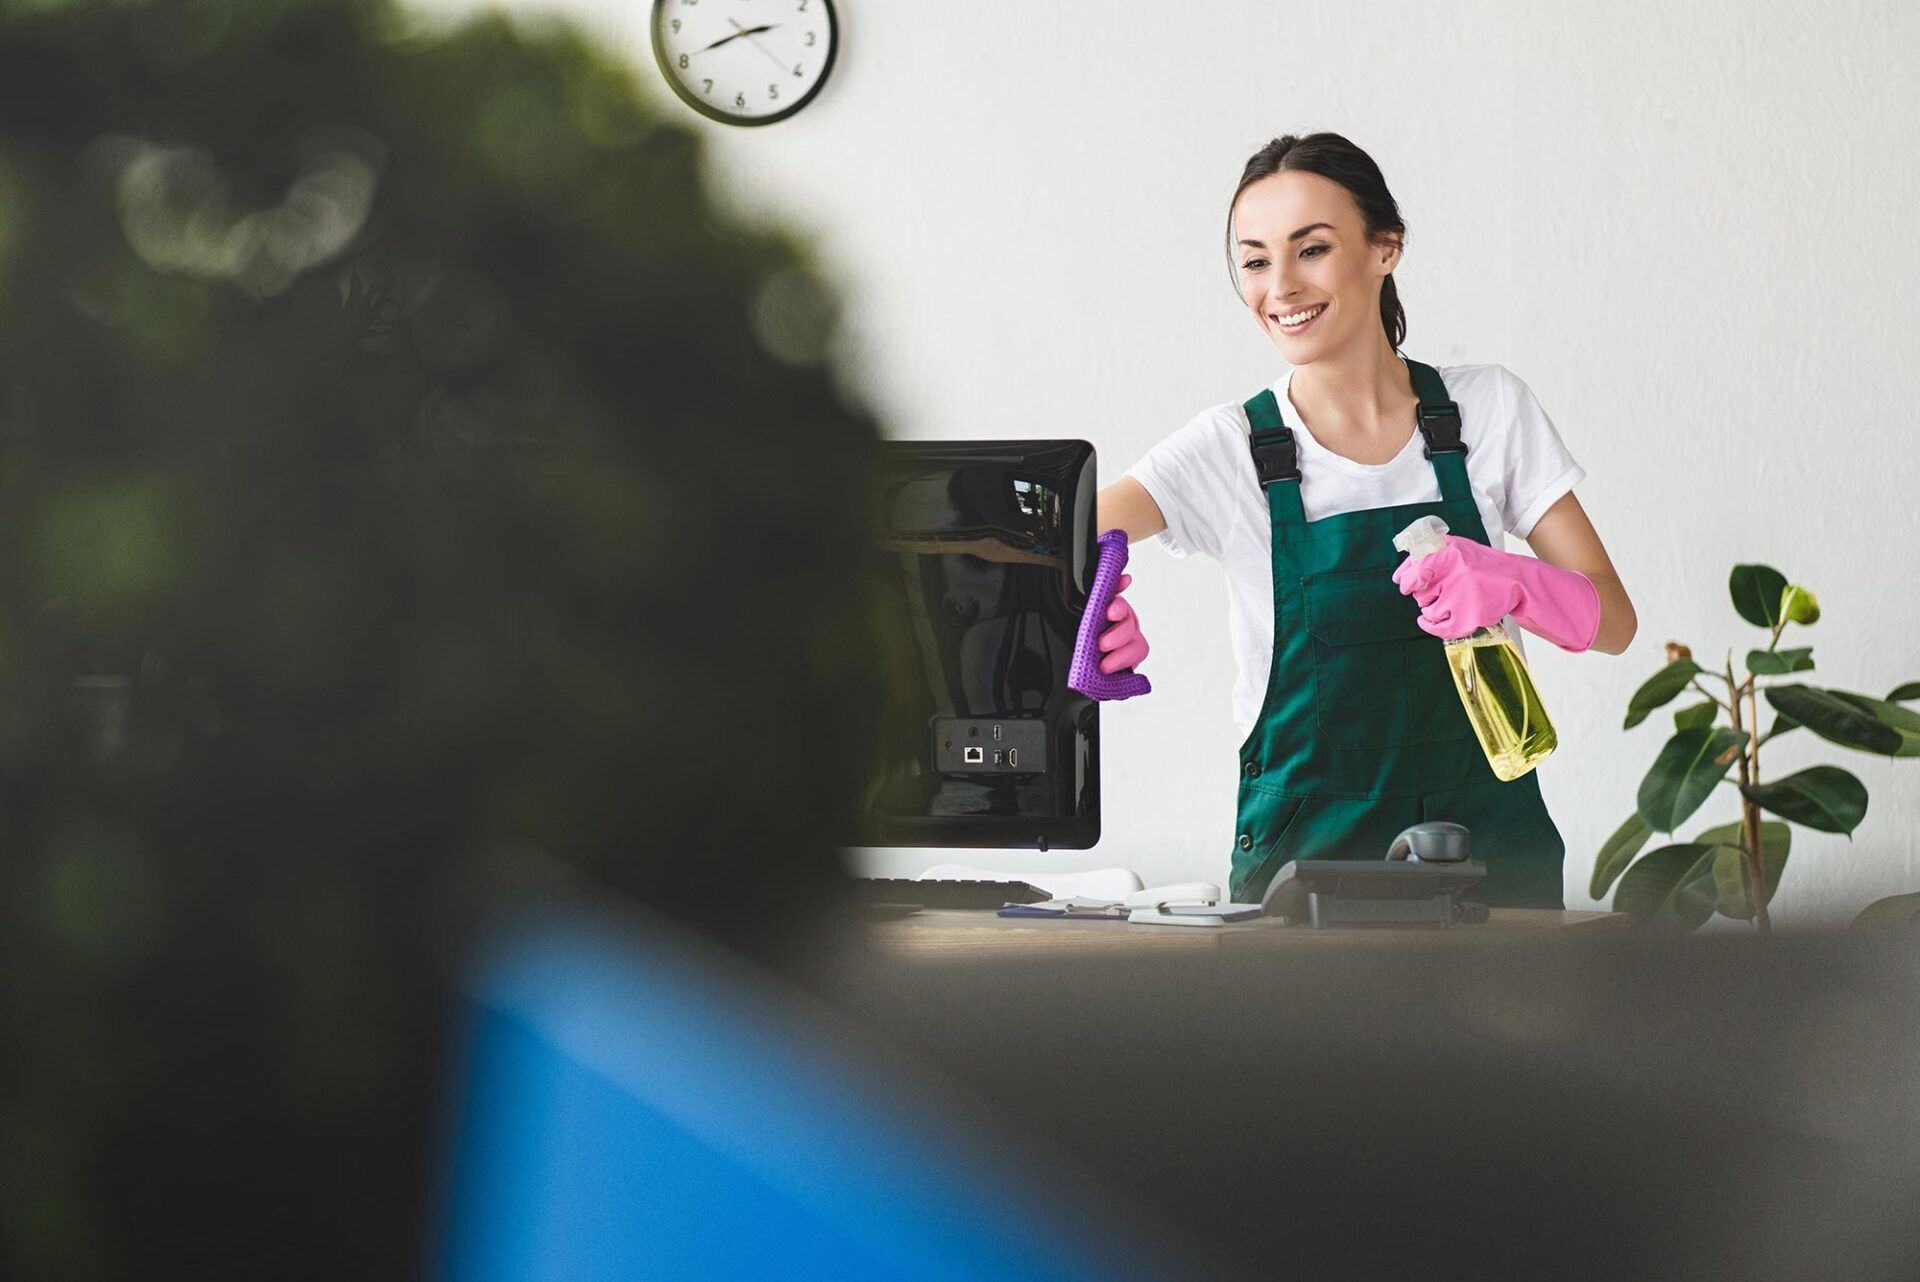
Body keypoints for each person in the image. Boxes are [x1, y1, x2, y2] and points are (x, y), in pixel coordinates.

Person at [1091, 132, 1636, 908]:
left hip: (1492, 858)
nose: (1279, 286)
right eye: (1254, 260)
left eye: (1311, 249)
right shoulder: (1231, 449)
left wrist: (1513, 582)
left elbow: (1612, 621)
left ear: (1387, 247)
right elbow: (1051, 536)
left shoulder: (1488, 410)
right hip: (1306, 871)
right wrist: (1090, 607)